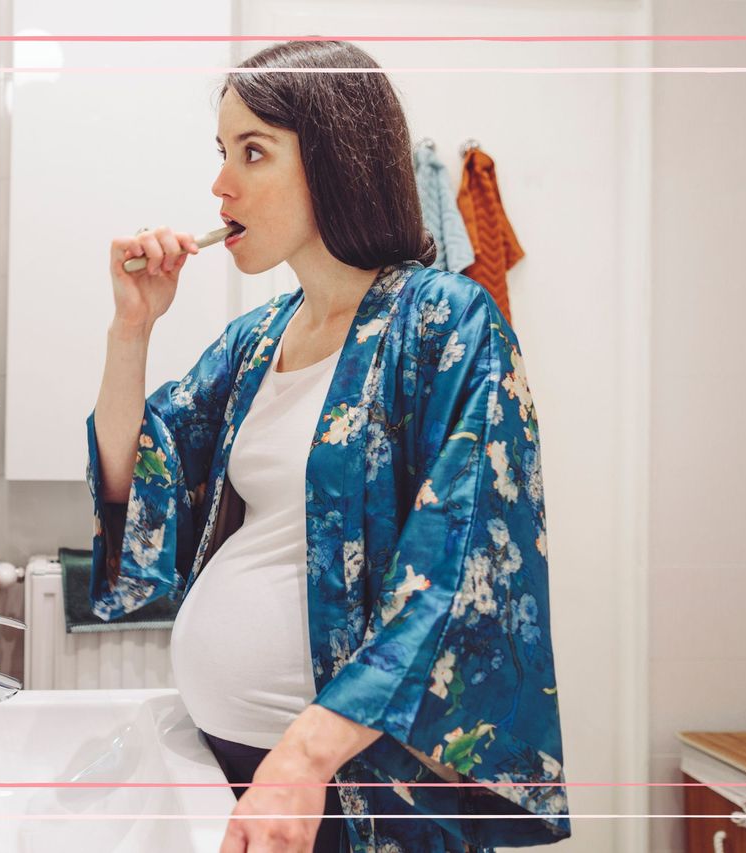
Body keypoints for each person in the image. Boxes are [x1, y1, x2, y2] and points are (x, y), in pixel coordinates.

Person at [86, 39, 571, 853]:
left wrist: (306, 754)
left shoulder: (444, 322)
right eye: (221, 152)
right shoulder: (255, 340)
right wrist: (130, 328)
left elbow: (462, 562)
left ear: (337, 161)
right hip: (241, 766)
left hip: (341, 791)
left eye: (253, 152)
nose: (220, 184)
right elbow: (137, 489)